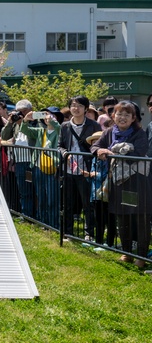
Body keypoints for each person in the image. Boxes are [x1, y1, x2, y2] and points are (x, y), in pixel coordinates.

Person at [92, 101, 150, 268]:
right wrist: (100, 151)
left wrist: (113, 151)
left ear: (133, 118)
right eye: (119, 114)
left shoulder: (140, 133)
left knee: (141, 217)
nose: (122, 117)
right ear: (113, 116)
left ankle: (141, 256)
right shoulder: (109, 132)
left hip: (138, 181)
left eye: (127, 115)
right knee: (121, 216)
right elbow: (95, 146)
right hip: (118, 181)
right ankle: (126, 253)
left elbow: (139, 151)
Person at [59, 96, 100, 239]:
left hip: (87, 169)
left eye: (80, 106)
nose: (76, 108)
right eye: (73, 105)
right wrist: (66, 154)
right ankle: (68, 232)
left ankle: (89, 233)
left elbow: (99, 144)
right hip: (69, 169)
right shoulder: (65, 126)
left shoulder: (93, 125)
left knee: (87, 203)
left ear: (86, 108)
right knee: (68, 202)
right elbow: (60, 146)